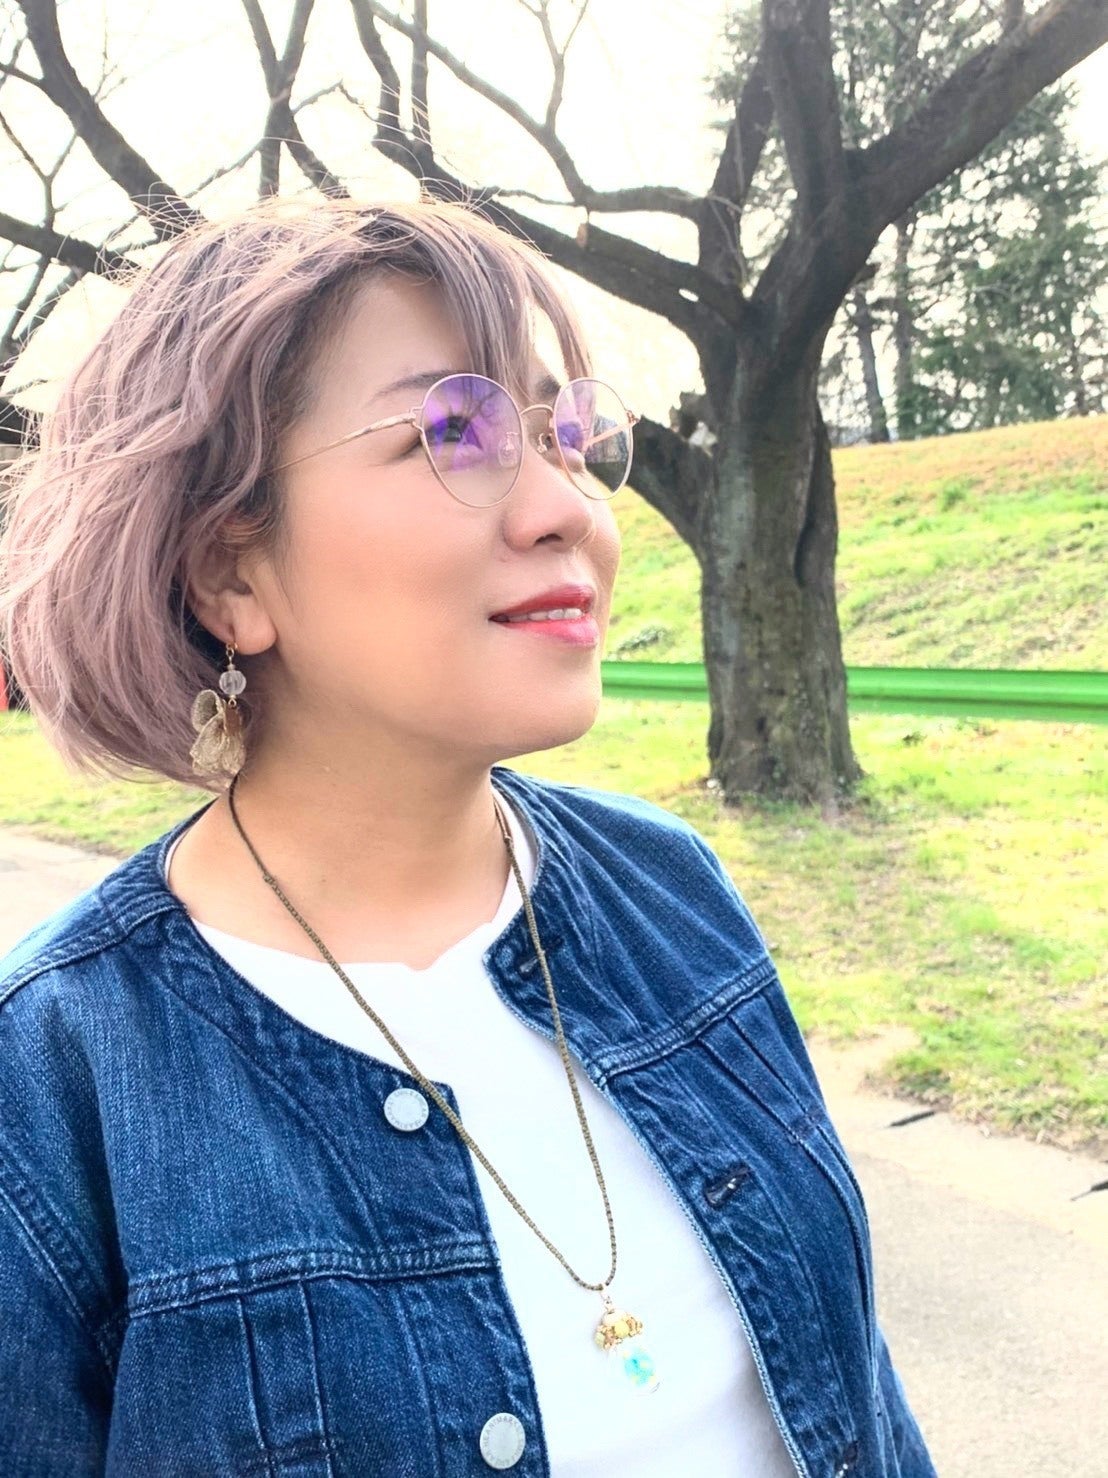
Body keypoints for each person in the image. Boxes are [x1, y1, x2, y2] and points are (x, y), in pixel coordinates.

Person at [0, 198, 937, 1477]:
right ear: (229, 572)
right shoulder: (54, 1076)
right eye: (452, 431)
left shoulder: (668, 884)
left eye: (562, 432)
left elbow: (859, 1403)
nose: (565, 508)